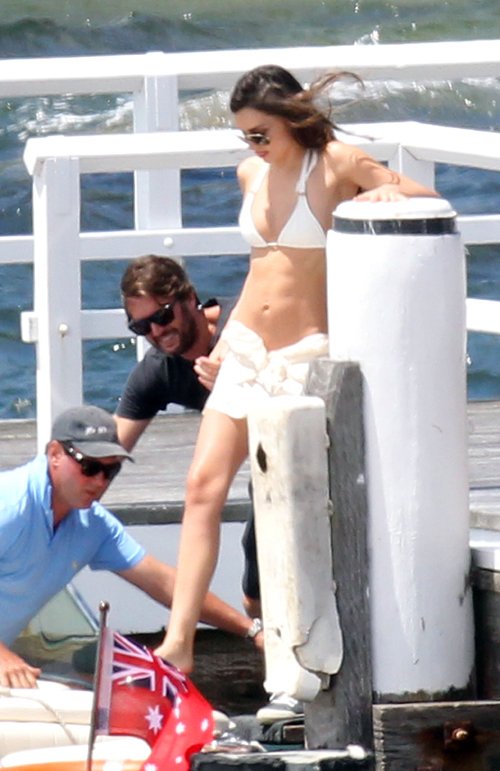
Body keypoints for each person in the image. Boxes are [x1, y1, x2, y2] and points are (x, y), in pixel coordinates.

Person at [154, 64, 439, 678]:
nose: (254, 146)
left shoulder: (335, 163)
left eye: (261, 133)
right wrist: (224, 341)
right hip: (245, 350)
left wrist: (384, 192)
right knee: (202, 487)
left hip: (302, 356)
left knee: (288, 505)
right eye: (245, 136)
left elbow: (420, 196)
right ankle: (178, 643)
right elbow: (262, 268)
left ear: (290, 118)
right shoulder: (251, 173)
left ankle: (296, 657)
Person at [0, 404, 262, 689]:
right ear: (54, 454)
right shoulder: (9, 504)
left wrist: (251, 630)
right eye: (90, 467)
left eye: (110, 471)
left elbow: (166, 584)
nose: (100, 481)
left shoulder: (94, 525)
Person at [116, 255, 261, 620]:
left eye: (163, 316)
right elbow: (111, 448)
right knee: (255, 600)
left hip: (307, 440)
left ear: (190, 298)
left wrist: (243, 383)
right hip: (265, 463)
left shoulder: (244, 329)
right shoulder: (158, 371)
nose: (156, 331)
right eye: (142, 326)